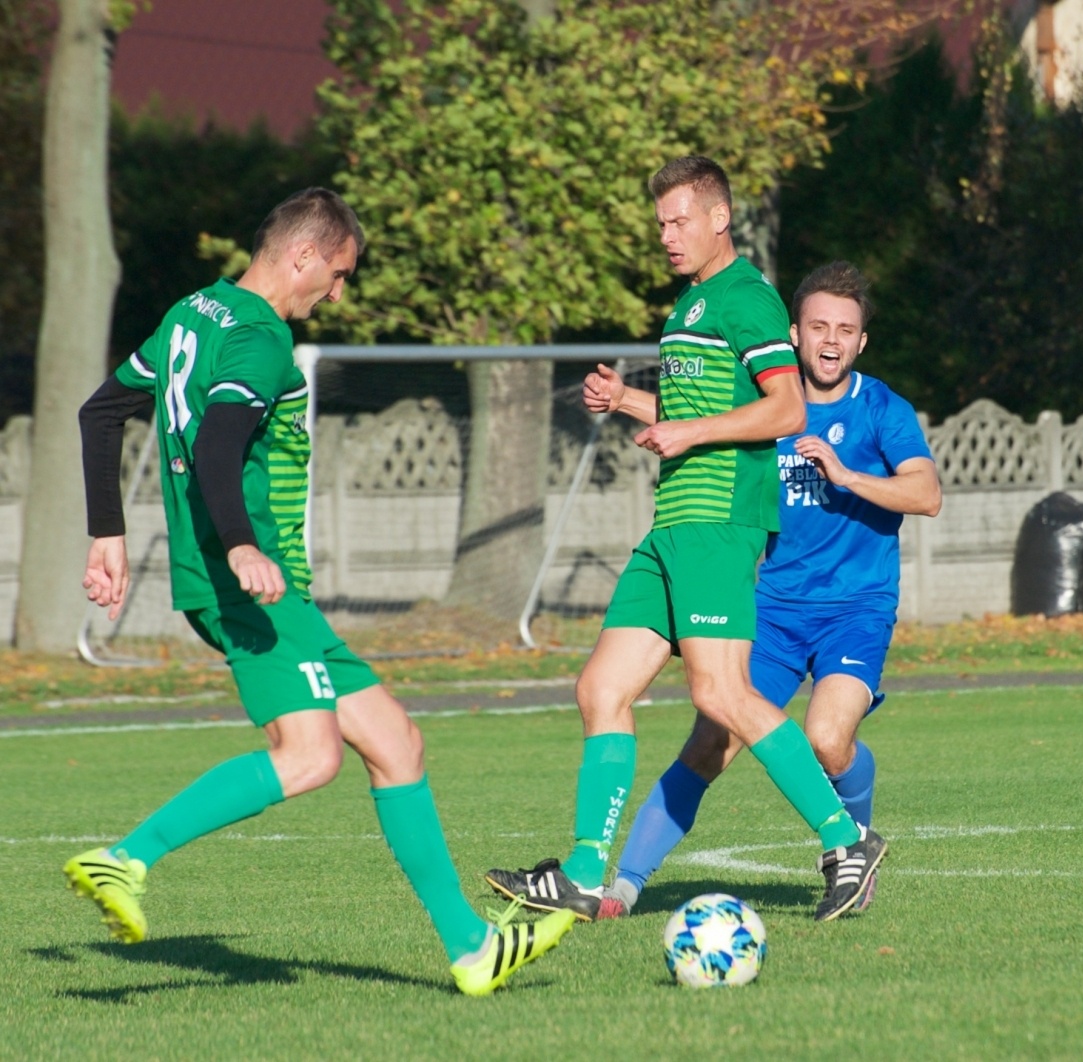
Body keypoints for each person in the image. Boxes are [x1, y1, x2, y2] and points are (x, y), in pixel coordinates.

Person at [65, 188, 572, 997]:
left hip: (246, 585)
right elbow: (223, 440)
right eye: (336, 274)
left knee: (397, 743)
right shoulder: (263, 339)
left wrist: (108, 533)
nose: (337, 293)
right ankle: (125, 858)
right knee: (309, 757)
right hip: (247, 587)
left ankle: (473, 949)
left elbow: (101, 411)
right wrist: (240, 546)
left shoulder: (193, 312)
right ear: (300, 256)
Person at [485, 158, 885, 924]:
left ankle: (846, 840)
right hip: (672, 527)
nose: (666, 236)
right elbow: (696, 405)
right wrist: (628, 400)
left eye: (678, 221)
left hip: (718, 523)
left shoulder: (747, 299)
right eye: (661, 223)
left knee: (721, 694)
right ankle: (580, 870)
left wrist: (690, 431)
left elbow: (785, 410)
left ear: (718, 219)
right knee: (599, 689)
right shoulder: (691, 305)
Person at [596, 260, 941, 919]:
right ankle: (625, 886)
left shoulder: (882, 410)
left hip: (855, 611)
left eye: (845, 329)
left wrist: (846, 476)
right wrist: (623, 402)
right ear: (794, 334)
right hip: (773, 612)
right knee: (708, 740)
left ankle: (854, 847)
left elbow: (926, 494)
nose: (831, 340)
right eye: (818, 327)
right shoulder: (768, 408)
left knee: (826, 741)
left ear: (862, 341)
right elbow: (694, 421)